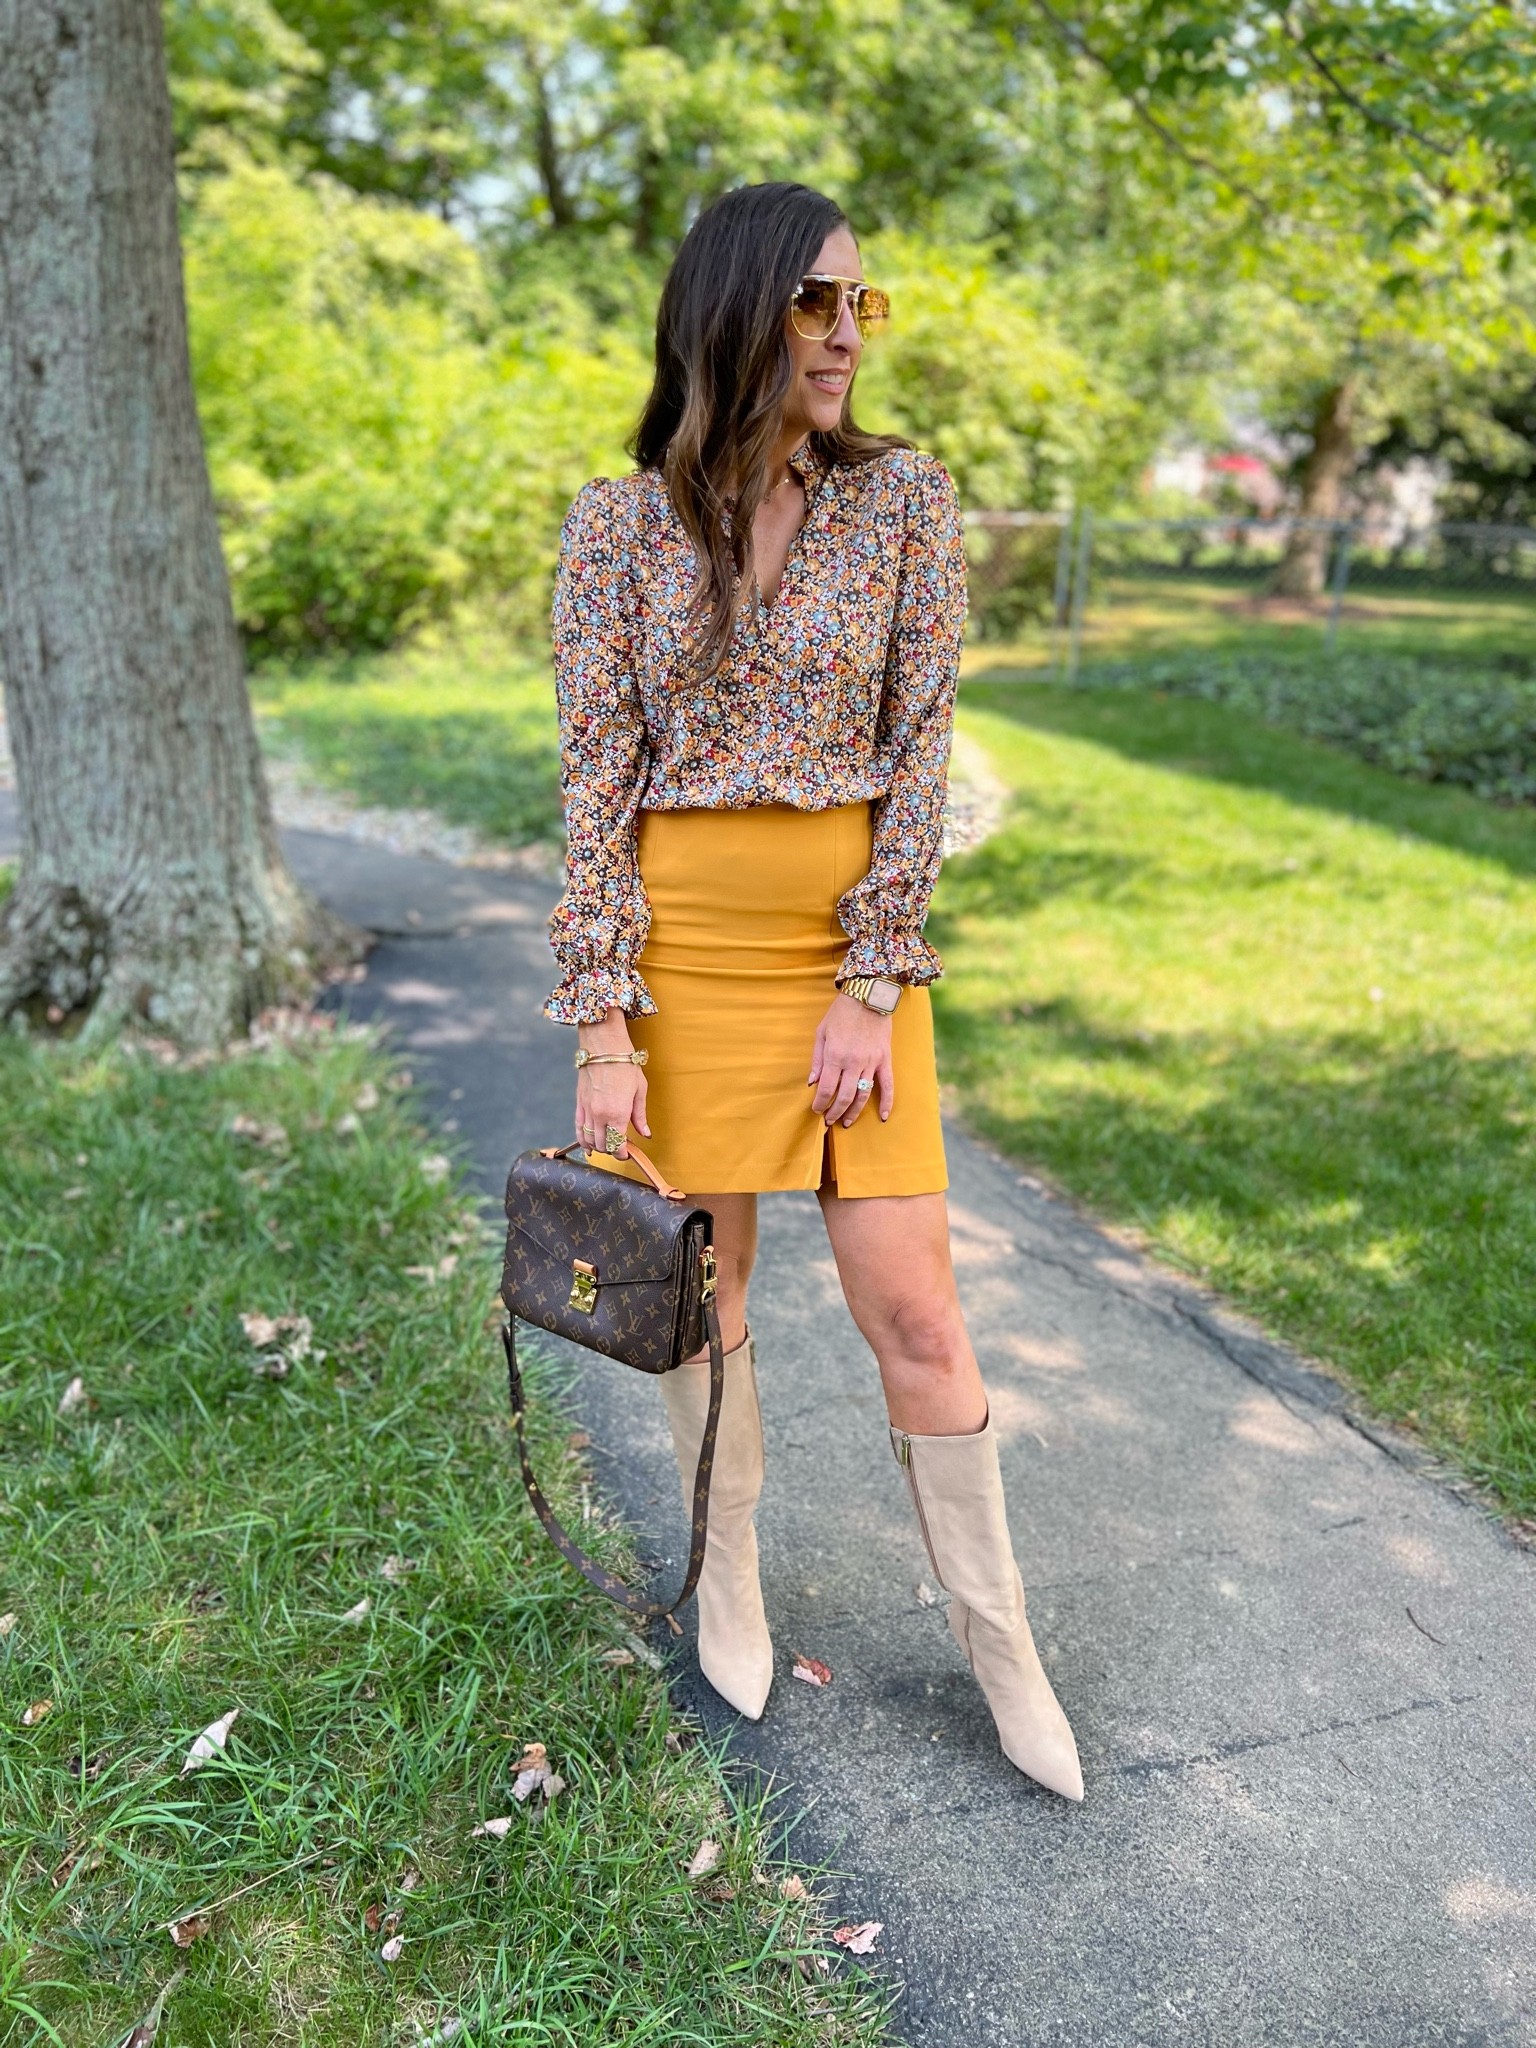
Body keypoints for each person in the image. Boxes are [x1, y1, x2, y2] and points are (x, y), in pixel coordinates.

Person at [545, 180, 1082, 1802]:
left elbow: (922, 756)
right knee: (703, 1290)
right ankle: (727, 1577)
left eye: (867, 303)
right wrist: (602, 1023)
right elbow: (592, 792)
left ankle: (1002, 1646)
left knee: (914, 1306)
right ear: (735, 313)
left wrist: (873, 975)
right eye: (818, 303)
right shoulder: (616, 528)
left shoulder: (908, 505)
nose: (850, 332)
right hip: (685, 960)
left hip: (852, 962)